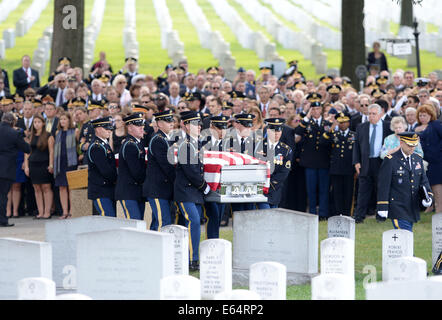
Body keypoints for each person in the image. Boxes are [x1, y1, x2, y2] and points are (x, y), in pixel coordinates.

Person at [174, 111, 211, 271]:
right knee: (194, 221)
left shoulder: (195, 144)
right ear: (187, 126)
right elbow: (192, 172)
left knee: (194, 223)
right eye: (195, 124)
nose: (199, 126)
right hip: (186, 191)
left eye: (200, 124)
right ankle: (192, 259)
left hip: (194, 192)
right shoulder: (186, 145)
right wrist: (205, 187)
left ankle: (192, 257)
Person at [377, 132, 433, 232]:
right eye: (409, 145)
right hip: (397, 206)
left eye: (414, 145)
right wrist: (382, 205)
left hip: (412, 206)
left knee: (406, 237)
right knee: (405, 234)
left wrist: (428, 196)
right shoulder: (391, 160)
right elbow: (383, 185)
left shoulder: (417, 159)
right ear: (401, 142)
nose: (412, 148)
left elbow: (423, 181)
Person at [352, 104, 391, 223]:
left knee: (381, 190)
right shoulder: (361, 127)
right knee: (363, 190)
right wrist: (356, 161)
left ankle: (381, 216)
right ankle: (359, 217)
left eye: (374, 114)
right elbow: (356, 146)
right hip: (366, 162)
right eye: (369, 114)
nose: (371, 116)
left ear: (380, 114)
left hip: (381, 162)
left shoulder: (387, 126)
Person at [294, 98, 331, 220]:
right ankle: (312, 213)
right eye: (313, 109)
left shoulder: (326, 123)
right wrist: (306, 117)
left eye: (318, 108)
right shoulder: (306, 123)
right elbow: (297, 132)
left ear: (321, 110)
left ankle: (323, 214)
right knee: (311, 190)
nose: (315, 111)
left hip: (323, 161)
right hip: (309, 162)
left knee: (324, 190)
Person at [144, 110, 176, 231]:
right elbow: (166, 165)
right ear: (160, 124)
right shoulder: (158, 140)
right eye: (168, 122)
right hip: (157, 190)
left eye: (172, 121)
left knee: (157, 223)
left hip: (162, 189)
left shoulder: (164, 139)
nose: (171, 124)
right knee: (164, 223)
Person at [320, 111, 356, 216]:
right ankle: (338, 213)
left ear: (349, 123)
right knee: (337, 193)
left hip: (349, 169)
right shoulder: (333, 134)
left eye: (345, 122)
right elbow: (322, 142)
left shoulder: (354, 135)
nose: (342, 124)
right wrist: (331, 129)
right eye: (340, 122)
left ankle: (347, 214)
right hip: (336, 169)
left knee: (348, 193)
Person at [0, 112, 31, 227]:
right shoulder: (14, 133)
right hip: (6, 169)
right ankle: (2, 220)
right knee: (3, 195)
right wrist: (25, 138)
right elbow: (27, 149)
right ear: (12, 122)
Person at [254, 118, 292, 209]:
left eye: (278, 131)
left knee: (272, 218)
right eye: (273, 131)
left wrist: (271, 184)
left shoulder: (286, 150)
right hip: (260, 188)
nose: (276, 134)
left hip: (275, 189)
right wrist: (263, 184)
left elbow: (284, 171)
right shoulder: (258, 146)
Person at [115, 113, 146, 221]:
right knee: (134, 223)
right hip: (128, 192)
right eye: (138, 126)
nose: (142, 128)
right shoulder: (130, 145)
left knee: (139, 223)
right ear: (129, 128)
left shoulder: (137, 143)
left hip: (136, 191)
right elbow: (137, 172)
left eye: (142, 126)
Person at [23, 115, 54, 219]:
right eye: (35, 122)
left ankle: (47, 212)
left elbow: (51, 152)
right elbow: (27, 152)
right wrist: (26, 166)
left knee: (46, 187)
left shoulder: (48, 135)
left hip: (44, 163)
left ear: (43, 123)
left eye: (39, 122)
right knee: (36, 188)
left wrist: (51, 164)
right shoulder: (30, 136)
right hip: (33, 164)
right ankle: (40, 212)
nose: (36, 124)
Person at [87, 116, 117, 217]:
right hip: (100, 189)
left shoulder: (104, 144)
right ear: (98, 129)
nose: (109, 131)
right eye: (106, 128)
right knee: (107, 217)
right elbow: (106, 170)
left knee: (110, 218)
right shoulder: (97, 147)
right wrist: (117, 178)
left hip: (106, 189)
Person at [415, 104, 442, 213]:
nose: (422, 118)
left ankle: (439, 211)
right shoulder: (416, 127)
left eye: (425, 115)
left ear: (431, 115)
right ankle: (431, 207)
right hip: (425, 162)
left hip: (437, 161)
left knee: (437, 187)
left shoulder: (435, 125)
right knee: (429, 186)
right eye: (420, 115)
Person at [53, 112, 78, 219]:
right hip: (60, 163)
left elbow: (78, 147)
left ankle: (72, 211)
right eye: (61, 119)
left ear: (69, 120)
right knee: (62, 188)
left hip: (70, 162)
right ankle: (64, 211)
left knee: (71, 187)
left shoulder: (75, 131)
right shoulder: (57, 132)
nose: (63, 121)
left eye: (65, 119)